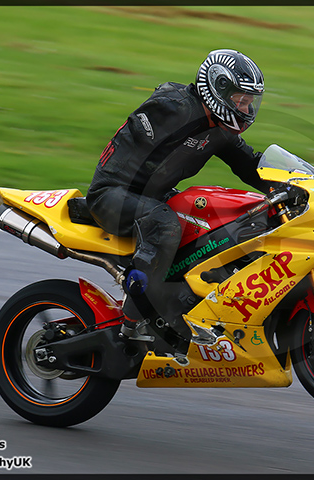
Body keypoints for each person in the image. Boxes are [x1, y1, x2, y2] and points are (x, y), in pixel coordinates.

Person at [86, 49, 272, 341]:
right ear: (217, 89)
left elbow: (250, 165)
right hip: (111, 194)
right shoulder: (172, 107)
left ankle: (192, 305)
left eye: (250, 102)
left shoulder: (218, 128)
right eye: (241, 100)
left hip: (153, 197)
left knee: (218, 222)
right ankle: (135, 318)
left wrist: (296, 186)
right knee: (165, 223)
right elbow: (142, 129)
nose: (246, 109)